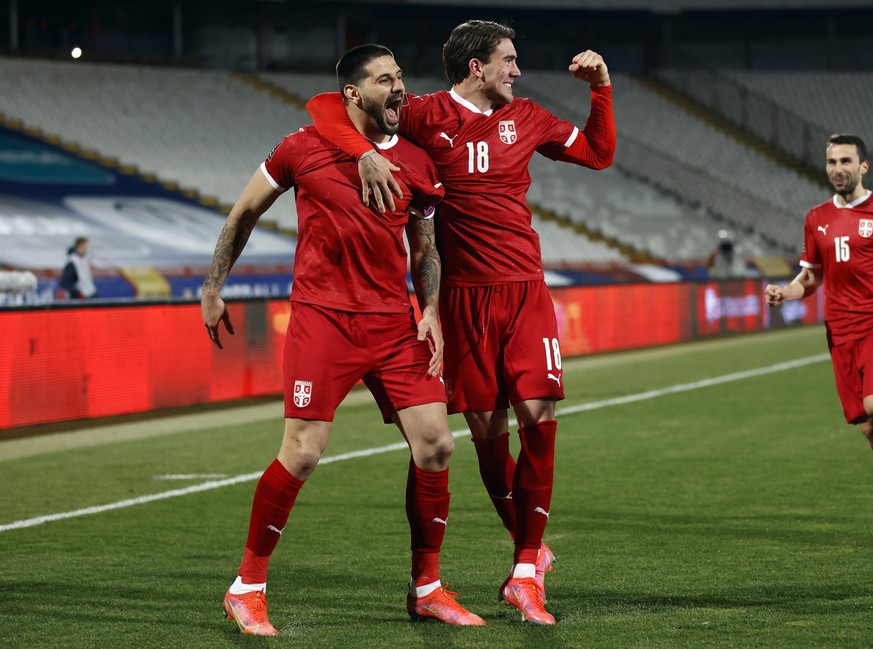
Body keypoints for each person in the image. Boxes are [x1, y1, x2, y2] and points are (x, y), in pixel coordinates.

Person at [307, 20, 616, 624]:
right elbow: (324, 105)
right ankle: (527, 553)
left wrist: (601, 90)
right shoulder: (424, 113)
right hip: (461, 302)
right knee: (486, 434)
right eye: (509, 60)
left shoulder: (529, 118)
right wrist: (365, 153)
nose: (517, 71)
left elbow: (600, 154)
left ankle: (526, 569)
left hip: (525, 291)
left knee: (540, 414)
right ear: (476, 67)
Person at [202, 43, 485, 636]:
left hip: (393, 323)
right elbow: (244, 213)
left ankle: (427, 588)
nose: (400, 88)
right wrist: (213, 285)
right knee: (302, 452)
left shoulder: (417, 158)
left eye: (402, 77)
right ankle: (246, 586)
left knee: (436, 445)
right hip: (322, 320)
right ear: (353, 94)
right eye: (386, 80)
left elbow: (425, 248)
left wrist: (430, 308)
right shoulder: (302, 147)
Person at [765, 134, 873, 448]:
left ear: (863, 166)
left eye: (846, 161)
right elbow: (811, 277)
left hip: (871, 323)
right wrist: (785, 292)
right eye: (832, 162)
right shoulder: (817, 217)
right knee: (866, 425)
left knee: (872, 405)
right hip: (839, 331)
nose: (838, 169)